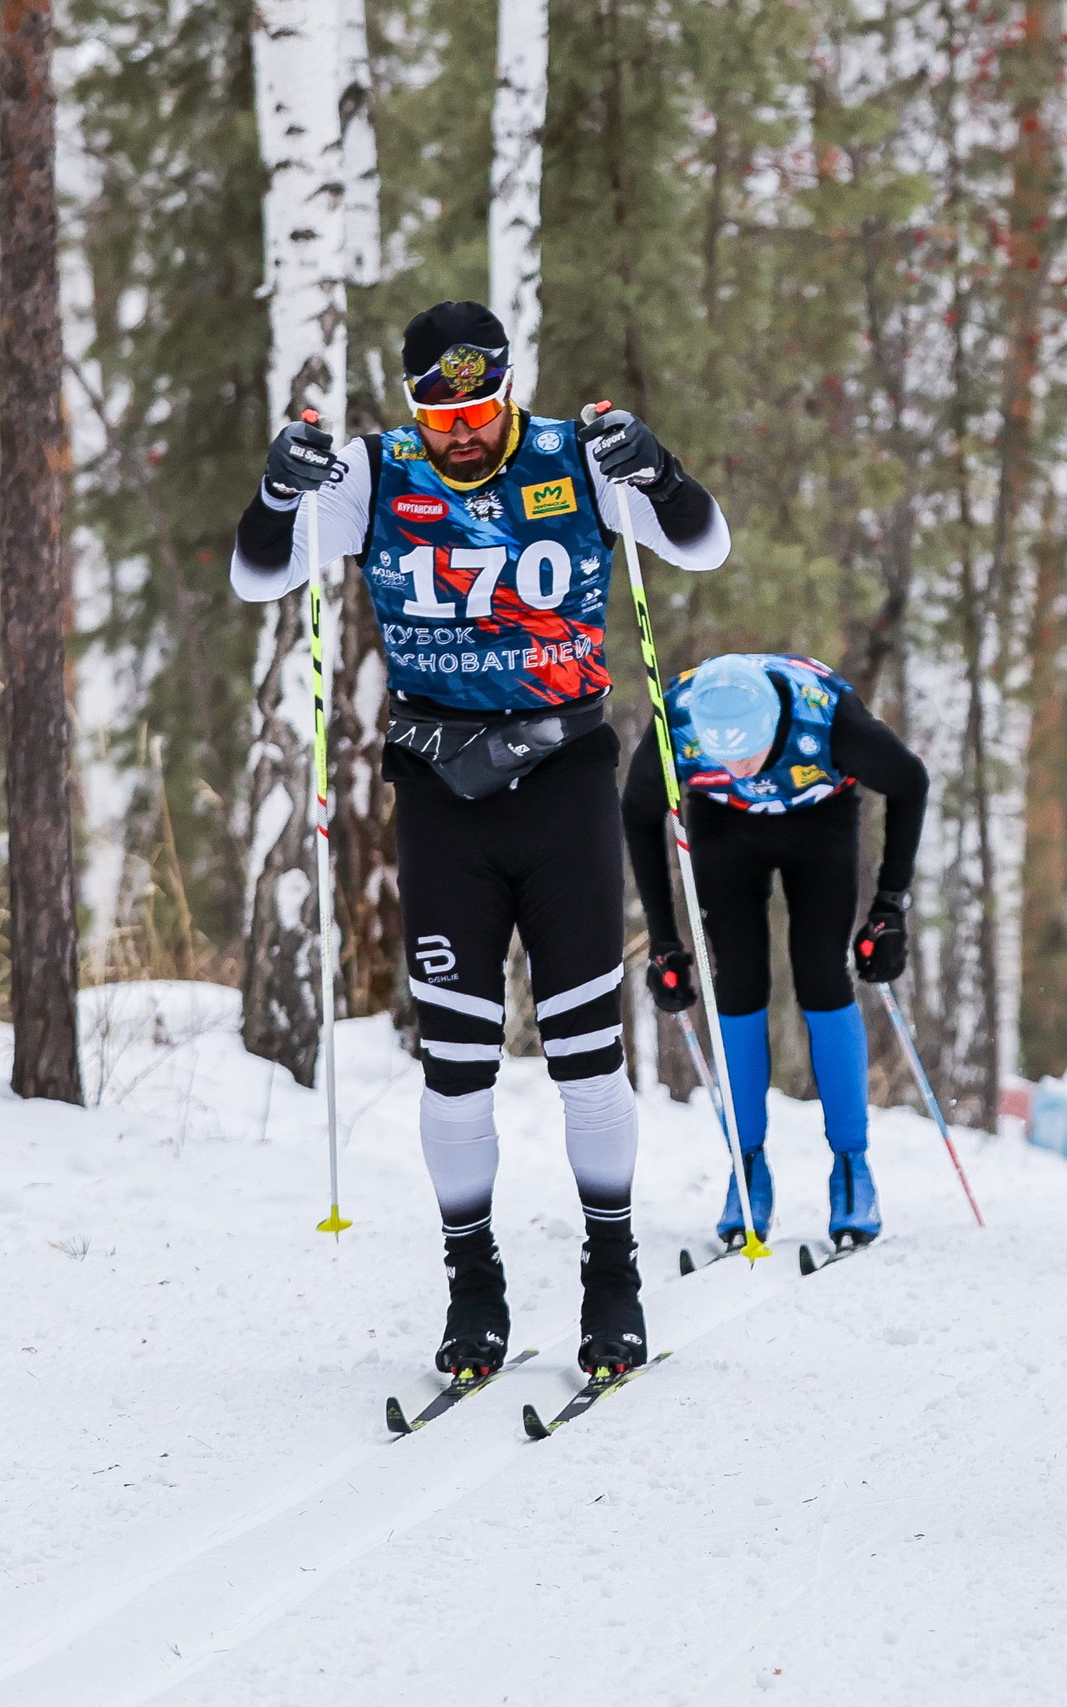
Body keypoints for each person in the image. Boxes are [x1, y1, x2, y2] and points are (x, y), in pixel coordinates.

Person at [230, 301, 730, 1381]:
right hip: (442, 794)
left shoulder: (572, 457)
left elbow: (702, 543)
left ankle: (612, 1276)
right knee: (455, 1065)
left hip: (564, 781)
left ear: (508, 389)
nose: (459, 431)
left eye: (477, 408)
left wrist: (657, 471)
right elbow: (259, 575)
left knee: (586, 1049)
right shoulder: (377, 472)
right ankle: (473, 1286)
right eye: (438, 413)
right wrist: (276, 493)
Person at [623, 653, 929, 1250]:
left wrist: (890, 907)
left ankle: (851, 1166)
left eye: (748, 752)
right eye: (723, 755)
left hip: (819, 820)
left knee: (821, 973)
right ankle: (747, 1169)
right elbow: (638, 815)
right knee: (737, 982)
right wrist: (663, 942)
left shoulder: (832, 721)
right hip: (724, 825)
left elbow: (910, 782)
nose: (738, 766)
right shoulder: (677, 723)